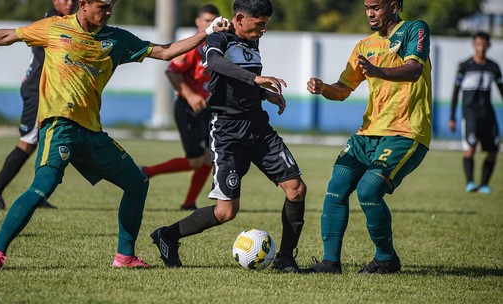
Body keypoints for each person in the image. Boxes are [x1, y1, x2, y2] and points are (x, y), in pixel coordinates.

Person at [0, 0, 230, 270]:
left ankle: (125, 257)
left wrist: (206, 33)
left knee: (137, 183)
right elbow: (6, 36)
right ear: (83, 4)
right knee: (42, 187)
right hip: (60, 127)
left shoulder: (116, 39)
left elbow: (165, 52)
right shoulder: (54, 28)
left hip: (92, 132)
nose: (108, 12)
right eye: (103, 6)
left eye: (111, 7)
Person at [150, 0, 307, 273]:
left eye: (265, 25)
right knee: (226, 212)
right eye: (260, 25)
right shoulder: (219, 38)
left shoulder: (252, 42)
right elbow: (215, 63)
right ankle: (167, 235)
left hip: (258, 128)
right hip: (227, 132)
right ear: (240, 18)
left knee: (296, 189)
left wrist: (264, 94)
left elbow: (240, 83)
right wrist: (256, 80)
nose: (263, 31)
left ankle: (285, 258)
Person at [303, 0, 432, 274]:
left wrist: (377, 71)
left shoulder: (414, 29)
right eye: (366, 8)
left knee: (368, 191)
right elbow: (342, 89)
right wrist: (323, 87)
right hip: (368, 133)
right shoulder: (365, 46)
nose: (370, 13)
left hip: (405, 132)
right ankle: (329, 263)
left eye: (376, 7)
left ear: (394, 6)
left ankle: (386, 259)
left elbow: (414, 69)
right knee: (336, 187)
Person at [0, 0, 77, 210]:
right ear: (55, 1)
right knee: (28, 142)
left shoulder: (63, 21)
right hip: (38, 90)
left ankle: (38, 194)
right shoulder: (52, 22)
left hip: (46, 90)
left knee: (43, 142)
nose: (70, 3)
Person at [142, 4, 219, 211]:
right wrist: (190, 94)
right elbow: (172, 72)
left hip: (207, 109)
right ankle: (147, 171)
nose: (210, 24)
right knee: (196, 161)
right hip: (188, 109)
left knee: (209, 159)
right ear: (197, 22)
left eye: (213, 20)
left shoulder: (216, 44)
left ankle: (189, 203)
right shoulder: (193, 45)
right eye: (206, 20)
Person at [449, 31, 503, 194]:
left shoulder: (493, 67)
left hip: (488, 114)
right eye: (478, 43)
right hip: (470, 113)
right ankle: (470, 183)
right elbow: (455, 92)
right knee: (470, 148)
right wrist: (452, 117)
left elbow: (501, 90)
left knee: (493, 150)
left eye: (484, 44)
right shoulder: (464, 66)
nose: (481, 47)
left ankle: (484, 184)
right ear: (474, 45)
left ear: (488, 45)